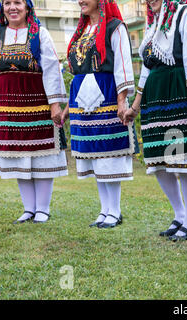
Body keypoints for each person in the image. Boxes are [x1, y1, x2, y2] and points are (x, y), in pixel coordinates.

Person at [125, 0, 187, 241]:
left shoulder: (185, 13)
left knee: (183, 158)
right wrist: (135, 106)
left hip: (179, 90)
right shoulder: (153, 25)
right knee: (158, 160)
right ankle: (179, 213)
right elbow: (146, 69)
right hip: (155, 98)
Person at [0, 0, 68, 224]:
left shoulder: (39, 34)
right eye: (7, 3)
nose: (12, 7)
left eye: (17, 2)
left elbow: (52, 67)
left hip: (37, 103)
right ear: (2, 8)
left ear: (27, 8)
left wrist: (55, 103)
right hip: (6, 107)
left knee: (41, 155)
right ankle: (28, 209)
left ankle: (42, 209)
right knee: (17, 155)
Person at [62, 0, 135, 229]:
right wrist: (67, 106)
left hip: (107, 95)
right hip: (81, 98)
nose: (81, 1)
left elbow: (123, 64)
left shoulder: (115, 27)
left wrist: (122, 101)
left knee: (108, 153)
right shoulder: (82, 30)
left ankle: (115, 210)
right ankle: (104, 209)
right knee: (94, 154)